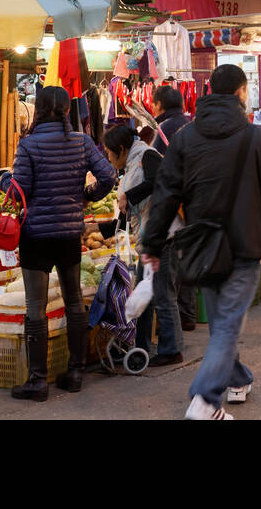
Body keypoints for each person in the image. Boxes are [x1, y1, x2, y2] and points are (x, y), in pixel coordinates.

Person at [142, 63, 261, 420]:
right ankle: (206, 399)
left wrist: (151, 244)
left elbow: (165, 193)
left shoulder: (185, 138)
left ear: (209, 90)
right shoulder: (257, 138)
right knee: (226, 325)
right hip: (243, 248)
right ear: (242, 93)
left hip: (202, 248)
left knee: (222, 324)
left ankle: (238, 378)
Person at [9, 85, 116, 401]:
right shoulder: (82, 142)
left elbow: (18, 192)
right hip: (70, 233)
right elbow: (108, 176)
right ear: (68, 111)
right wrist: (86, 195)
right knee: (73, 303)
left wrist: (3, 180)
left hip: (36, 236)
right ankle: (76, 371)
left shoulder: (27, 145)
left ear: (38, 110)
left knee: (36, 308)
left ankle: (38, 381)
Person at [126, 84, 196, 340]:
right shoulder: (190, 123)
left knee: (166, 280)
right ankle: (188, 316)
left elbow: (158, 171)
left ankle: (173, 333)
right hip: (191, 202)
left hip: (174, 204)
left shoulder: (163, 129)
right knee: (184, 263)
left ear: (158, 105)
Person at [101, 123, 169, 360]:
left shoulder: (146, 155)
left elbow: (158, 181)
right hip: (148, 237)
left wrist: (130, 196)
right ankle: (141, 348)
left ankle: (168, 350)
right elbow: (123, 218)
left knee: (158, 294)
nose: (108, 159)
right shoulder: (129, 167)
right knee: (148, 293)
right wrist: (94, 229)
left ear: (121, 149)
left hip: (163, 235)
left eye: (109, 153)